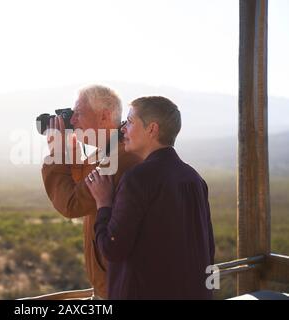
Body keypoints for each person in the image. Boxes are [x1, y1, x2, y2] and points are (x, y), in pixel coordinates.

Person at [85, 96, 215, 299]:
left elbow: (112, 248)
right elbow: (208, 248)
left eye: (129, 122)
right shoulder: (194, 178)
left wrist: (103, 203)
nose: (123, 129)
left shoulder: (137, 179)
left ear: (152, 129)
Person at [41, 85, 142, 299]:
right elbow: (79, 182)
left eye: (78, 113)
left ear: (104, 116)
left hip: (119, 290)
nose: (73, 121)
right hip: (112, 285)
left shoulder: (119, 159)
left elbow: (71, 203)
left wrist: (56, 153)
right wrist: (69, 147)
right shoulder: (109, 152)